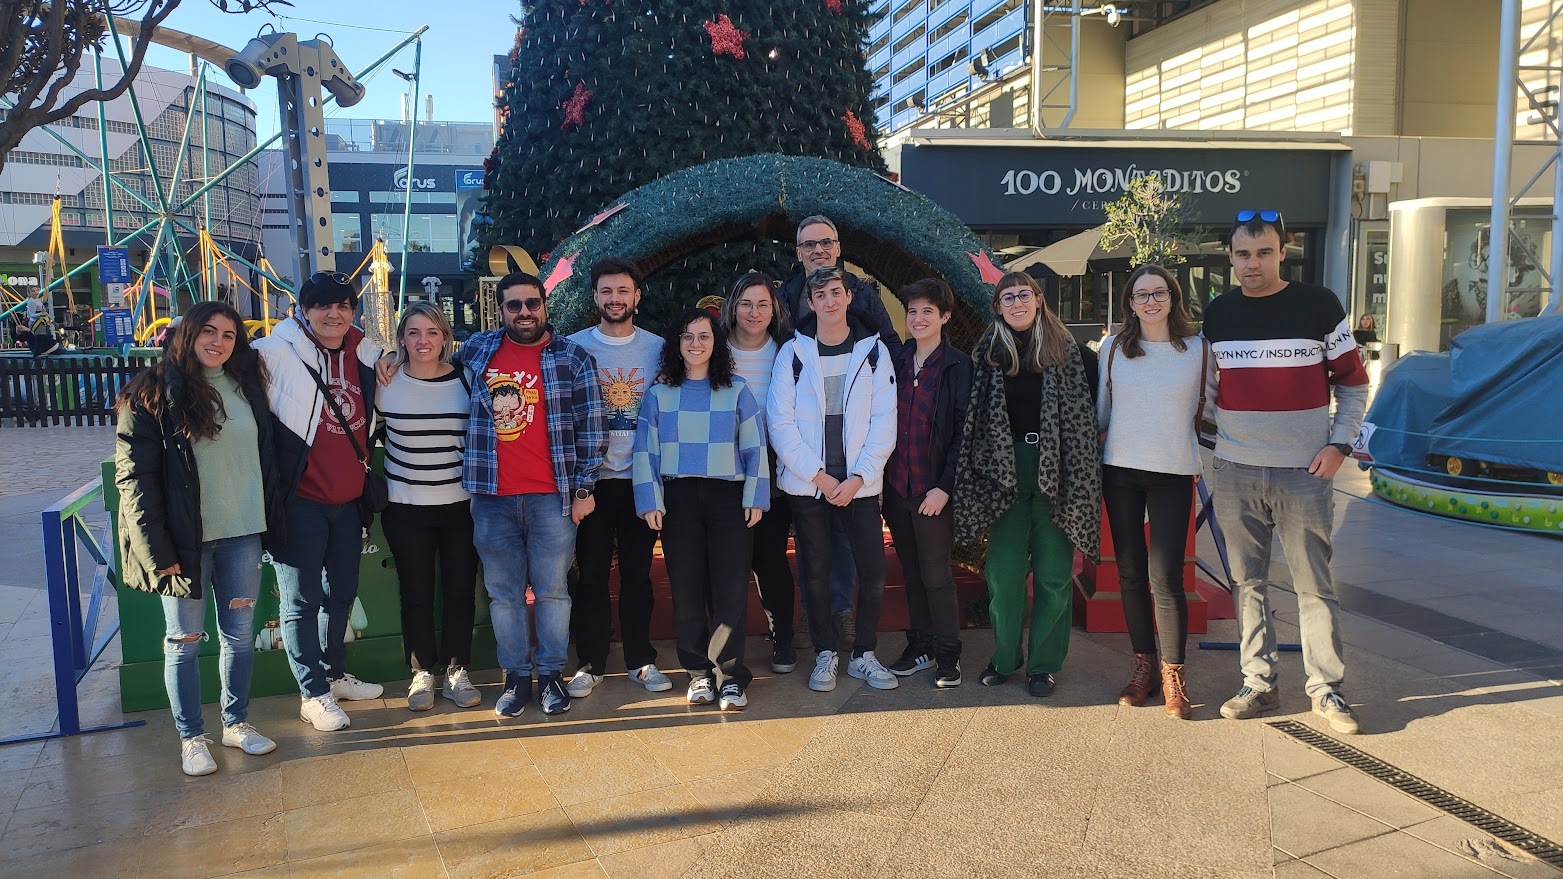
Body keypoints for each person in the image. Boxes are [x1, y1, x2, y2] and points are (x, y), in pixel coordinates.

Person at [1204, 210, 1369, 734]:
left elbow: (1353, 383)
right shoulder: (1218, 313)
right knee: (1247, 582)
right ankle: (1258, 682)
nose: (1253, 263)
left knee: (1314, 586)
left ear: (1282, 253)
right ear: (1230, 258)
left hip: (1304, 472)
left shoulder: (1319, 305)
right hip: (1237, 470)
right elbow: (1209, 388)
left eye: (1264, 253)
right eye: (1243, 254)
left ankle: (1326, 690)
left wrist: (1340, 445)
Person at [115, 301, 285, 774]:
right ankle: (191, 737)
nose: (218, 342)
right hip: (184, 543)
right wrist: (156, 550)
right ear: (187, 334)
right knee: (183, 640)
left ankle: (236, 722)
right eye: (209, 331)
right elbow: (135, 478)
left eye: (229, 335)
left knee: (240, 637)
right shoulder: (150, 393)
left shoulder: (246, 385)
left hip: (242, 535)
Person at [450, 272, 605, 717]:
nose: (524, 312)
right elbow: (427, 353)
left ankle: (551, 674)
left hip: (551, 497)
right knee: (504, 595)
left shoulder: (573, 357)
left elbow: (592, 429)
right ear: (500, 310)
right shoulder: (478, 349)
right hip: (492, 497)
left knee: (553, 592)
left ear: (544, 306)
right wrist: (387, 359)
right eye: (514, 305)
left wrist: (584, 488)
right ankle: (516, 677)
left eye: (532, 303)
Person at [952, 272, 1100, 698]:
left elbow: (1092, 417)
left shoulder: (1073, 355)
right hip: (1004, 474)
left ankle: (1044, 665)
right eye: (1007, 297)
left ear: (1038, 299)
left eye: (1023, 295)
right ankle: (1004, 657)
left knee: (1054, 575)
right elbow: (974, 421)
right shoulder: (987, 355)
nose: (1016, 303)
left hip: (1060, 472)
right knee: (1003, 574)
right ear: (998, 307)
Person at [255, 272, 385, 732]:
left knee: (343, 592)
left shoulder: (366, 351)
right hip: (300, 502)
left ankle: (335, 674)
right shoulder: (271, 352)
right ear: (303, 310)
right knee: (301, 602)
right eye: (322, 305)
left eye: (343, 305)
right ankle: (312, 693)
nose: (334, 314)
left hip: (348, 500)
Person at [769, 266, 898, 693]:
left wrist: (860, 477)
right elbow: (780, 424)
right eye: (820, 294)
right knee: (816, 572)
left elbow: (885, 420)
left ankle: (864, 654)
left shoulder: (873, 351)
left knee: (873, 570)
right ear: (810, 303)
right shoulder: (792, 353)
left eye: (835, 293)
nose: (829, 301)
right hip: (810, 486)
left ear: (848, 297)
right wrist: (820, 477)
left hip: (860, 485)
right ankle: (825, 652)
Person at [633, 308, 769, 711]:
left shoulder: (736, 390)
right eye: (688, 336)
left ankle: (730, 677)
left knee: (730, 590)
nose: (696, 344)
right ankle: (698, 674)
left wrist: (756, 496)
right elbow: (645, 450)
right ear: (677, 344)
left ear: (716, 343)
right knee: (686, 589)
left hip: (729, 498)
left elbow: (755, 446)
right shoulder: (659, 394)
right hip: (679, 499)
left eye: (704, 336)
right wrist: (649, 500)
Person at [1097, 266, 1207, 719]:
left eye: (1159, 293)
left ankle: (1172, 674)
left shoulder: (1198, 350)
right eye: (1141, 295)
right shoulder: (1113, 349)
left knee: (1166, 577)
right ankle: (1143, 664)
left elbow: (1214, 406)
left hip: (1174, 470)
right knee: (1129, 573)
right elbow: (1102, 412)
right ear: (1130, 302)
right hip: (1120, 470)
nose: (1151, 301)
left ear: (1173, 297)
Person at [564, 258, 673, 699]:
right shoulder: (573, 347)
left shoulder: (659, 348)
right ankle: (590, 663)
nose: (615, 299)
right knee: (590, 575)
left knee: (637, 575)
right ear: (595, 297)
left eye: (623, 291)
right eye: (606, 291)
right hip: (591, 481)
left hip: (640, 479)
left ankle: (640, 659)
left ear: (636, 296)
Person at [377, 302, 481, 712]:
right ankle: (421, 672)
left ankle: (457, 670)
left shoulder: (466, 380)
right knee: (416, 594)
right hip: (405, 508)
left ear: (445, 337)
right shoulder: (385, 382)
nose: (423, 341)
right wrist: (384, 359)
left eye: (432, 332)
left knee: (460, 592)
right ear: (401, 338)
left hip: (461, 507)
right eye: (414, 332)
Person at [881, 279, 971, 688]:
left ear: (945, 317)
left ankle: (948, 654)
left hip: (933, 490)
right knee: (912, 573)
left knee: (936, 574)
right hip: (897, 487)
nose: (918, 319)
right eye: (912, 311)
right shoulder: (897, 361)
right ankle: (921, 645)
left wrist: (945, 487)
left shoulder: (957, 366)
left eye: (927, 312)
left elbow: (964, 432)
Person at [720, 271, 797, 674]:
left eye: (763, 304)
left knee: (770, 559)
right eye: (746, 303)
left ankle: (783, 638)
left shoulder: (788, 350)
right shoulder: (713, 348)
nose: (754, 312)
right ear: (733, 307)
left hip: (770, 467)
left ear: (774, 310)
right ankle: (722, 648)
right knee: (727, 561)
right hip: (722, 468)